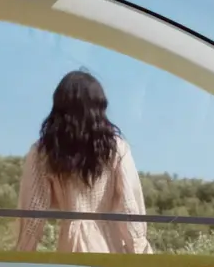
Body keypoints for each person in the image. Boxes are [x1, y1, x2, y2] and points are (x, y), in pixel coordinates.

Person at [16, 70, 153, 254]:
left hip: (69, 246)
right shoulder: (116, 148)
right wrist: (141, 254)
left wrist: (22, 256)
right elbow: (129, 208)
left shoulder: (44, 151)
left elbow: (32, 215)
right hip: (108, 247)